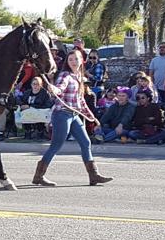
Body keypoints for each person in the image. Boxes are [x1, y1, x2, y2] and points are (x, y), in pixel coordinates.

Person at [32, 50, 112, 187]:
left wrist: (93, 118)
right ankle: (39, 176)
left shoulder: (79, 77)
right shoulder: (65, 75)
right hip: (62, 114)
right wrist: (54, 89)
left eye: (76, 59)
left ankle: (93, 176)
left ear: (82, 60)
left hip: (74, 115)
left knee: (86, 143)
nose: (73, 62)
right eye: (70, 60)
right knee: (56, 145)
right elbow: (59, 88)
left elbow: (80, 102)